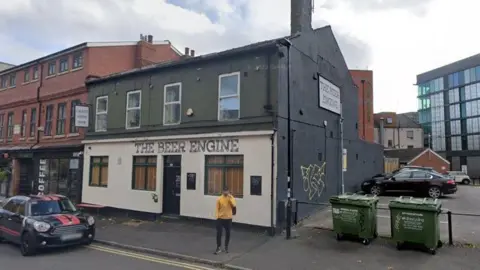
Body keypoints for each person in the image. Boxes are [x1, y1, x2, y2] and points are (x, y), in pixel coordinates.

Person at [214, 187, 236, 254]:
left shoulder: (231, 198)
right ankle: (218, 247)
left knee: (228, 233)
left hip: (228, 218)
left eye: (227, 191)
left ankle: (226, 247)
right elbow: (217, 209)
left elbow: (234, 205)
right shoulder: (219, 199)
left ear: (228, 191)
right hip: (220, 218)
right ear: (222, 191)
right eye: (224, 191)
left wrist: (230, 198)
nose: (225, 192)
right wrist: (217, 217)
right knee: (219, 233)